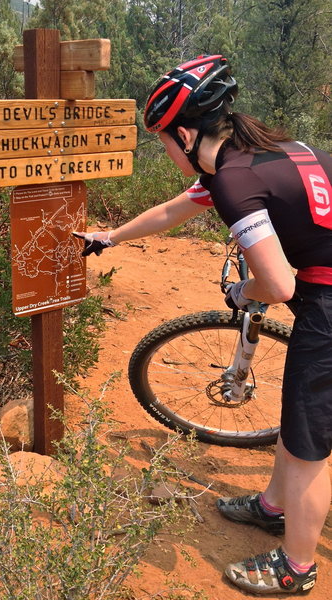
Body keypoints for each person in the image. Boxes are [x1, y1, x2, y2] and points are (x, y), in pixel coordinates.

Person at [74, 54, 332, 595]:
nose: (165, 151)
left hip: (327, 301)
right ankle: (272, 506)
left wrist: (242, 291)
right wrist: (110, 238)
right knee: (298, 413)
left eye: (163, 140)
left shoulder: (234, 180)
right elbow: (173, 211)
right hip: (322, 288)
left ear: (186, 134)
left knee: (310, 440)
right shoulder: (257, 153)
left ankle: (296, 568)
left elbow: (278, 286)